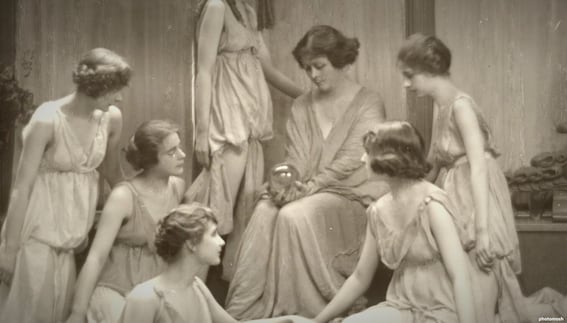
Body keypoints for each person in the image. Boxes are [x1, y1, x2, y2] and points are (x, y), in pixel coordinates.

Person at [225, 25, 387, 319]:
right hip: (311, 190)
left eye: (320, 66)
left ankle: (304, 311)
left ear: (340, 61)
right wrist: (285, 181)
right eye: (307, 68)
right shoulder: (302, 105)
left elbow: (352, 159)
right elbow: (296, 158)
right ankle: (243, 312)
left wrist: (310, 187)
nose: (313, 75)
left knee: (293, 215)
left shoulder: (369, 102)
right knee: (264, 208)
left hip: (350, 196)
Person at [397, 33, 527, 322]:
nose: (406, 84)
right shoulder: (440, 106)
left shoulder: (461, 106)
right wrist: (406, 197)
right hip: (458, 193)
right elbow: (433, 162)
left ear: (430, 70)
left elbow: (479, 167)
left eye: (410, 75)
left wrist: (483, 232)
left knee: (484, 277)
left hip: (479, 197)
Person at [0, 48, 130, 323]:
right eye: (115, 90)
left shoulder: (111, 119)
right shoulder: (47, 119)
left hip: (70, 243)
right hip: (34, 238)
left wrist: (135, 201)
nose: (119, 97)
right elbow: (20, 187)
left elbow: (111, 171)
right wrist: (9, 251)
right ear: (96, 86)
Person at [185, 0, 303, 281]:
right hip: (228, 124)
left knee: (245, 212)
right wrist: (202, 132)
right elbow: (203, 72)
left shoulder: (249, 13)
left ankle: (234, 292)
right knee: (214, 212)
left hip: (251, 126)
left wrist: (310, 96)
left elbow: (269, 71)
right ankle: (190, 288)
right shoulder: (216, 7)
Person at [314, 121, 477, 323]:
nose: (362, 158)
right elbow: (359, 278)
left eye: (368, 152)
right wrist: (317, 321)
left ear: (389, 159)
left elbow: (460, 276)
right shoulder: (377, 211)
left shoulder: (432, 205)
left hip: (443, 310)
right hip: (400, 308)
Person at [64, 120, 185, 323]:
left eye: (179, 147)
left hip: (154, 292)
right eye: (172, 152)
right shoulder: (123, 196)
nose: (181, 155)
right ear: (150, 159)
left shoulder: (177, 187)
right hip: (116, 290)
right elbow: (96, 257)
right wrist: (77, 312)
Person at [119, 203, 312, 323]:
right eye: (213, 234)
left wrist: (288, 320)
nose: (221, 241)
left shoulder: (196, 287)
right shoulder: (145, 298)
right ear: (191, 244)